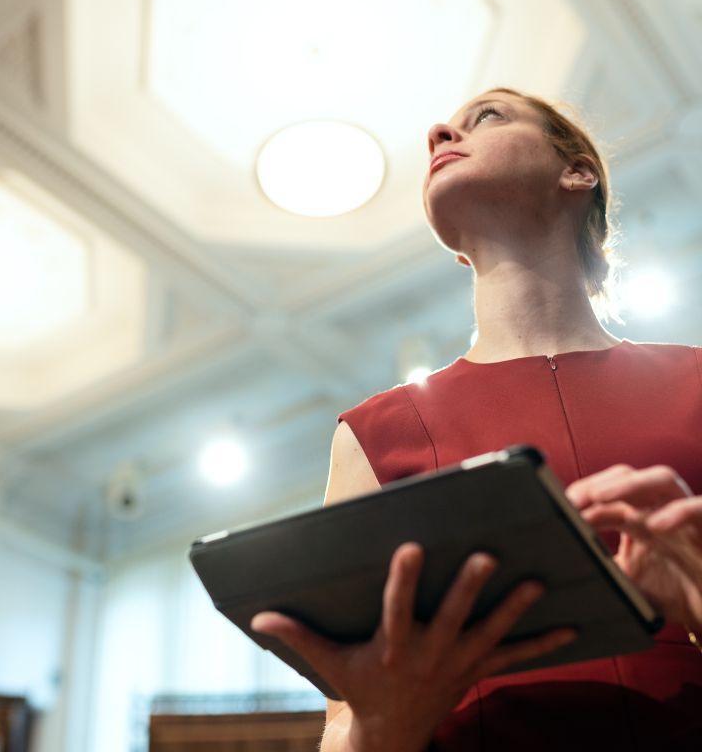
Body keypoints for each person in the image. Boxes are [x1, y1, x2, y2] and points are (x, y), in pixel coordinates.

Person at [251, 87, 702, 751]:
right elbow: (344, 717)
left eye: (485, 117)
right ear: (456, 252)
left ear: (577, 173)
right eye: (442, 129)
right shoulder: (374, 435)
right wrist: (384, 725)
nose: (438, 131)